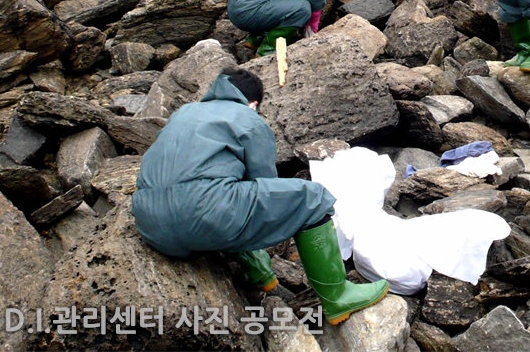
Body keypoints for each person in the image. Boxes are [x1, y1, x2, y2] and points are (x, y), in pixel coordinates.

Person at [132, 67, 389, 324]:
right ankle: (338, 297)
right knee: (311, 198)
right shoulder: (248, 119)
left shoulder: (184, 112)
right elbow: (264, 185)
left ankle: (257, 270)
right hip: (203, 214)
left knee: (222, 197)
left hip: (151, 224)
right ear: (253, 103)